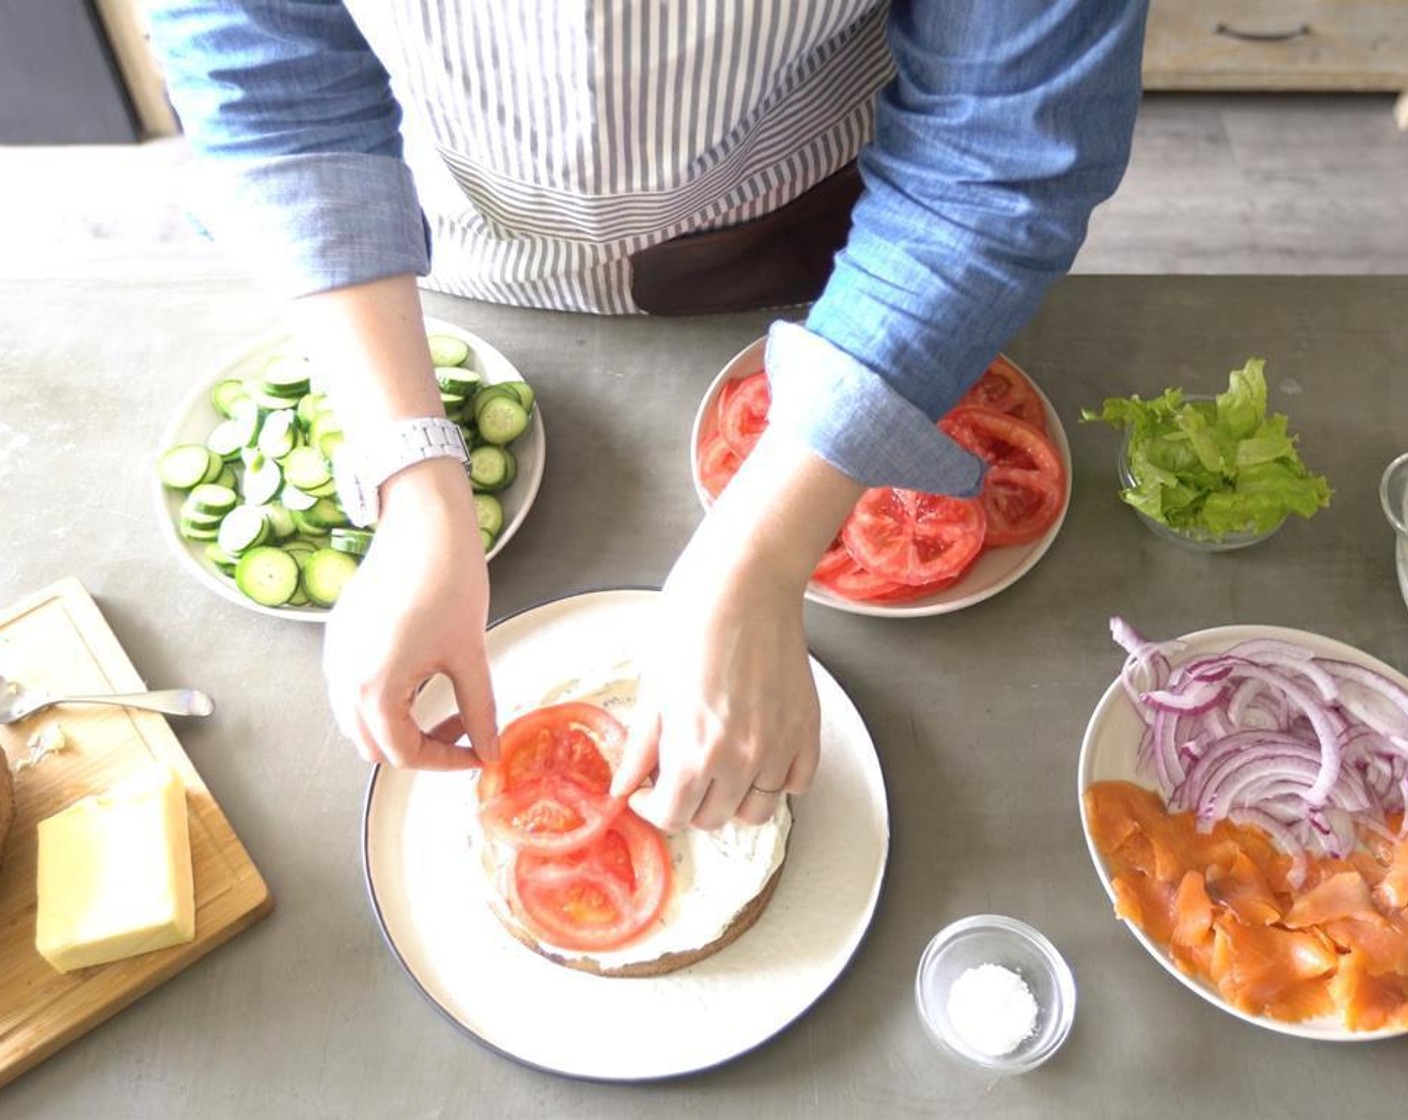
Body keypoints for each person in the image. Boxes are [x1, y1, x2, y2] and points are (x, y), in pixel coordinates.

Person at [146, 0, 1148, 832]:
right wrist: (413, 481)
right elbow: (265, 70)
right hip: (439, 229)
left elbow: (1000, 145)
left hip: (798, 223)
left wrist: (755, 555)